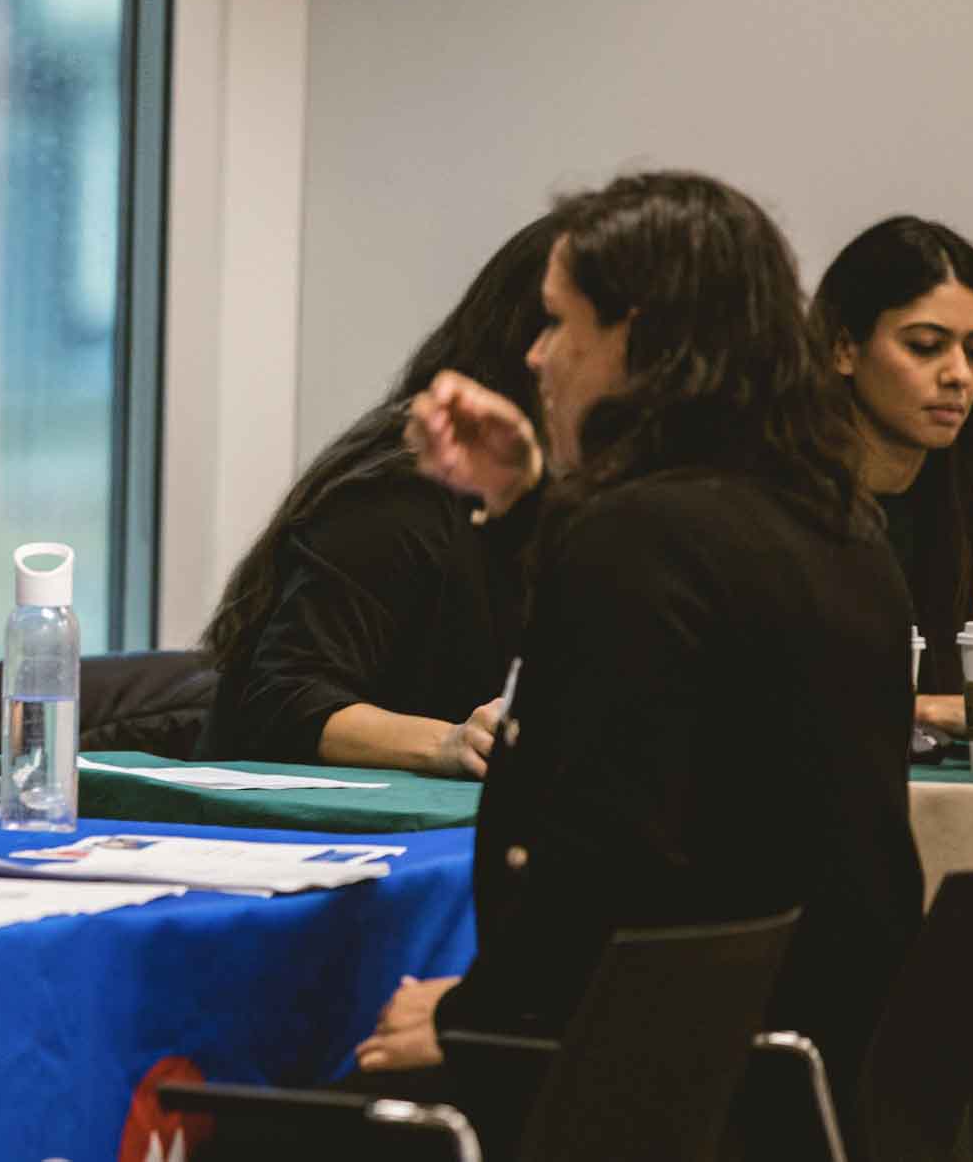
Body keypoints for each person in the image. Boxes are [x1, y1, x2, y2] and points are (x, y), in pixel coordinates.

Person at [360, 173, 923, 1150]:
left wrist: (470, 1017)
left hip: (642, 1087)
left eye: (559, 324)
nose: (536, 357)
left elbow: (606, 862)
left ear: (641, 339)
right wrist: (535, 497)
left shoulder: (639, 537)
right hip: (790, 1074)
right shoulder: (839, 525)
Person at [197, 213, 558, 775]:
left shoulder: (591, 506)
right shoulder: (403, 493)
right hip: (312, 837)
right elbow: (283, 701)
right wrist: (450, 742)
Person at [812, 216, 973, 731]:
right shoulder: (773, 503)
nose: (959, 375)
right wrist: (917, 711)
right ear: (843, 348)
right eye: (925, 345)